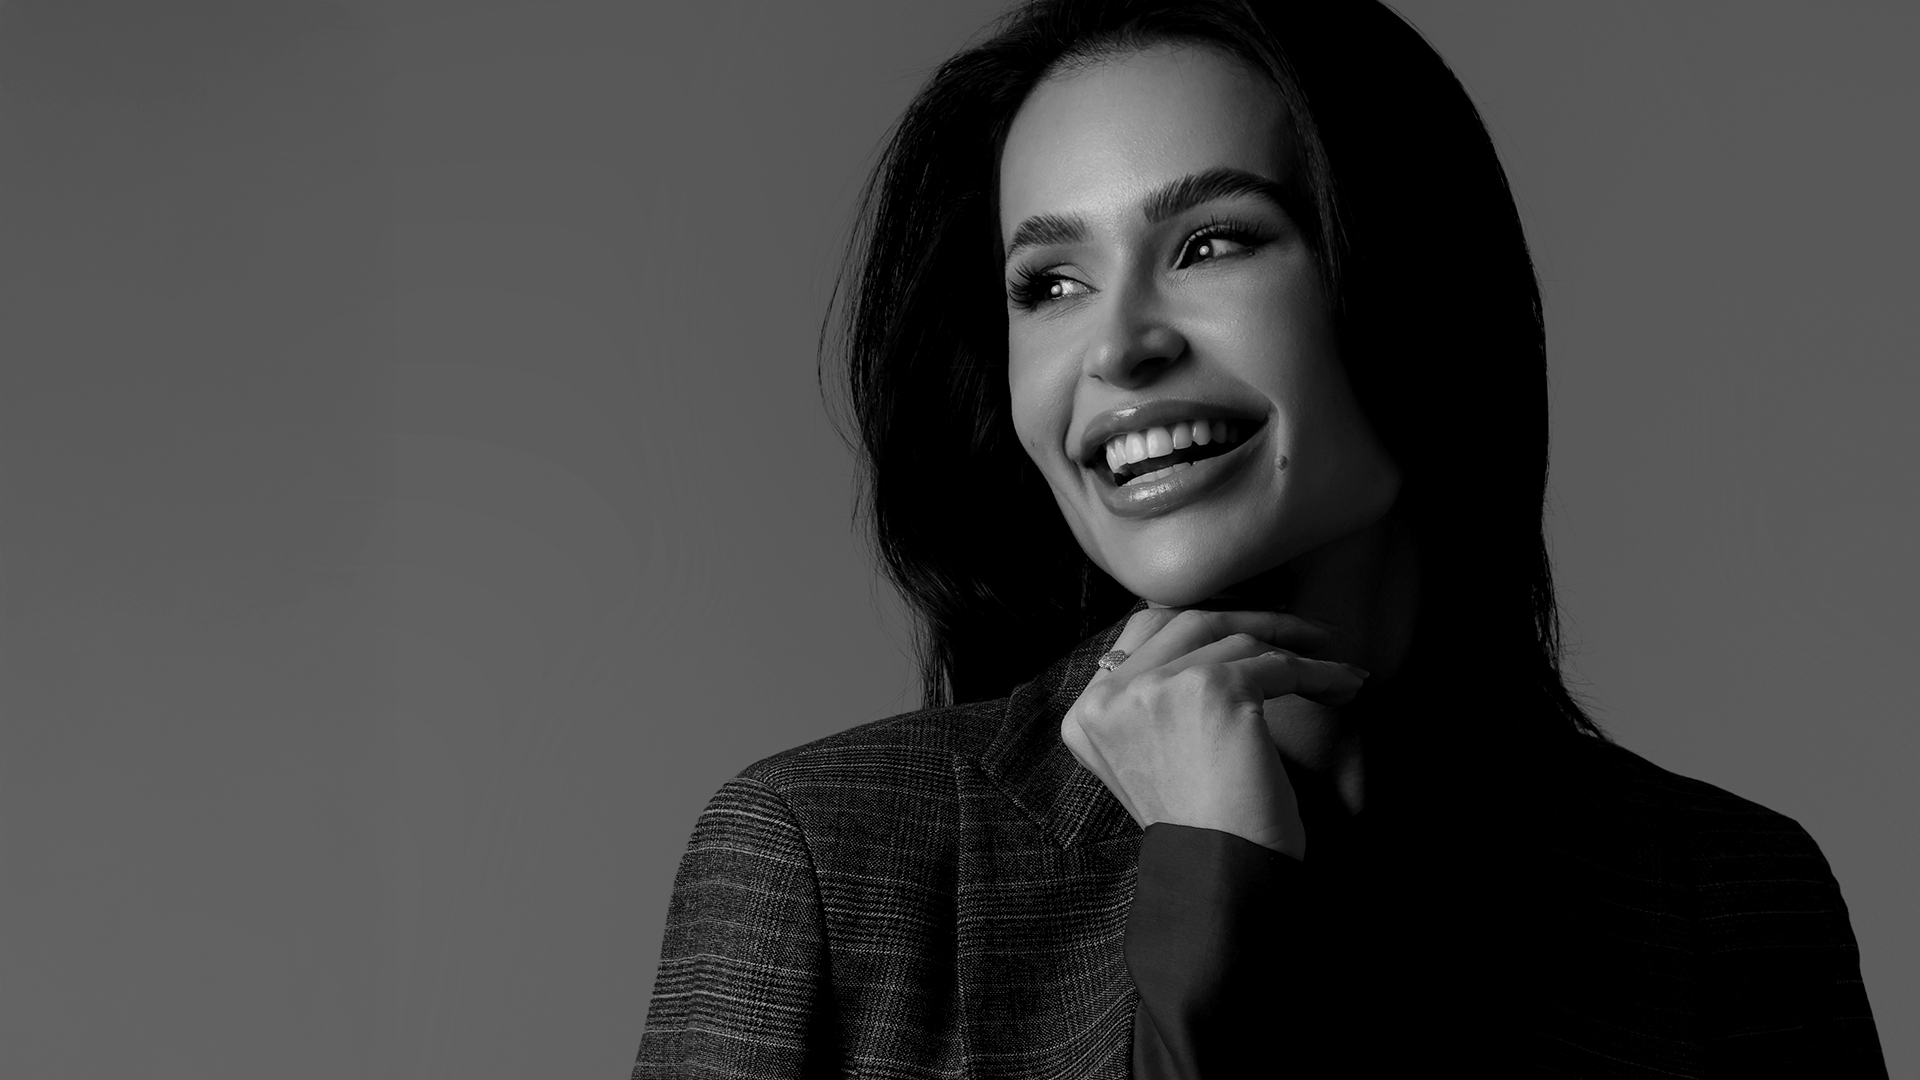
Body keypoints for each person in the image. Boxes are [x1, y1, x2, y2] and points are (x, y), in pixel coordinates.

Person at [634, 0, 1887, 1075]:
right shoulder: (825, 861)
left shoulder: (1723, 899)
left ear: (1413, 281)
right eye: (1050, 285)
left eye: (1211, 242)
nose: (1119, 348)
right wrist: (1213, 888)